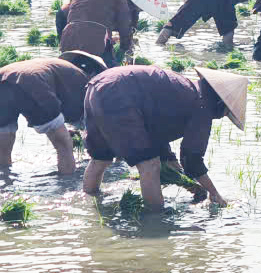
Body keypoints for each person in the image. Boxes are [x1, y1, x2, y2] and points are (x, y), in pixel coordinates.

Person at [82, 65, 247, 209]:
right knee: (150, 165)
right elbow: (192, 158)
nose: (222, 116)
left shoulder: (185, 88)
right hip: (119, 95)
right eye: (226, 113)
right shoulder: (202, 104)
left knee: (100, 158)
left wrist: (178, 171)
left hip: (97, 86)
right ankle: (155, 221)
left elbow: (156, 130)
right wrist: (214, 193)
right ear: (220, 104)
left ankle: (89, 203)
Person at [0, 51, 104, 176]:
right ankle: (67, 184)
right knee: (63, 143)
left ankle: (4, 181)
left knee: (5, 139)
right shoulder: (85, 83)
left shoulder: (59, 67)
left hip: (0, 79)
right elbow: (88, 122)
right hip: (33, 82)